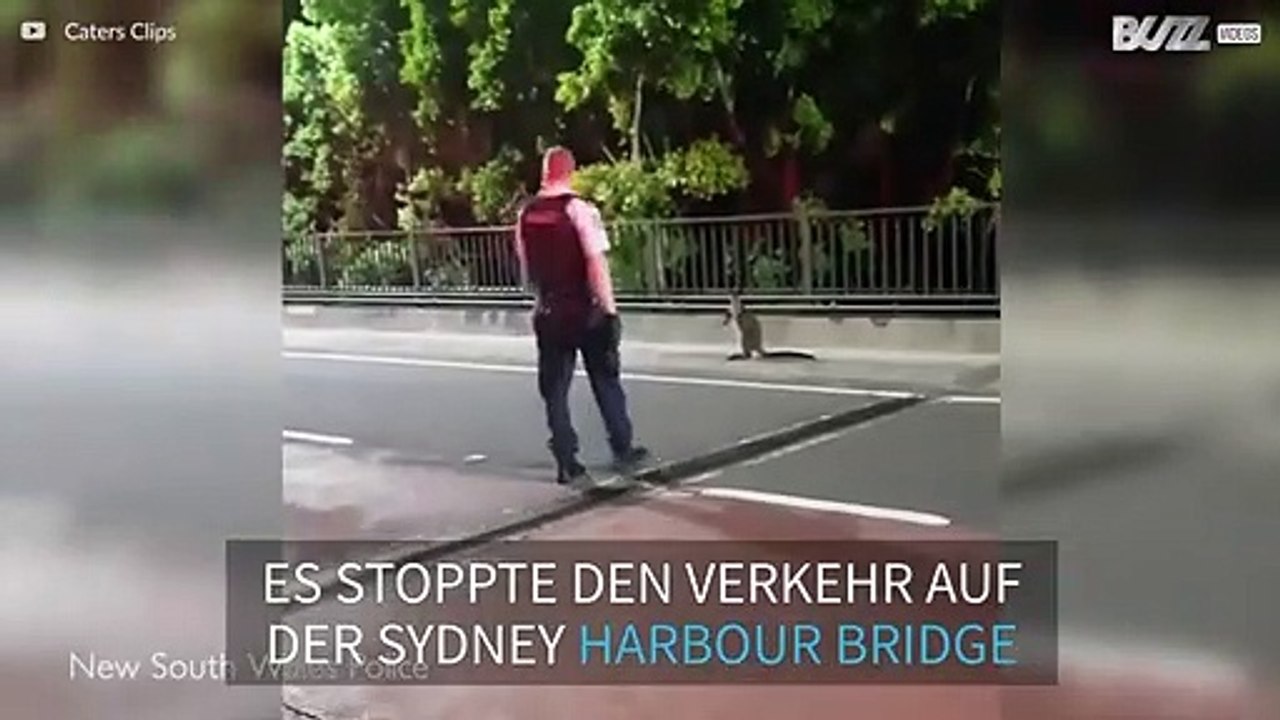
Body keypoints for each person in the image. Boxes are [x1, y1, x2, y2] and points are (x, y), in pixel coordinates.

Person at [514, 146, 650, 484]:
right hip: (584, 308)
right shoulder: (579, 210)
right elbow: (596, 264)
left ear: (545, 173)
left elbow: (526, 263)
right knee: (605, 379)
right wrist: (609, 310)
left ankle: (566, 460)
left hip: (548, 309)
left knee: (555, 389)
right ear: (570, 172)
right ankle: (622, 447)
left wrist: (542, 298)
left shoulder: (526, 215)